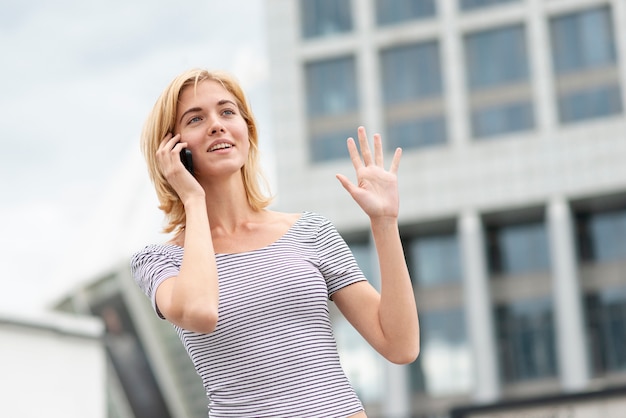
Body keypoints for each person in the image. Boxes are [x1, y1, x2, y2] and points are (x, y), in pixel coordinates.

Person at [130, 68, 419, 418]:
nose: (217, 125)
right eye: (195, 119)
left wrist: (385, 222)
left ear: (247, 131)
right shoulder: (159, 261)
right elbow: (201, 312)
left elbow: (400, 345)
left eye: (227, 112)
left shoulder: (310, 231)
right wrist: (192, 199)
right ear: (170, 151)